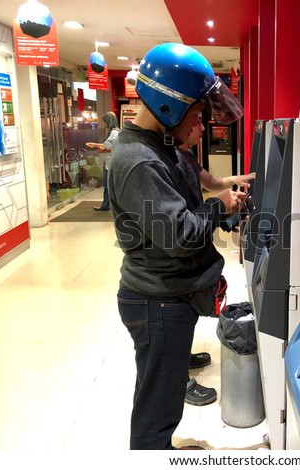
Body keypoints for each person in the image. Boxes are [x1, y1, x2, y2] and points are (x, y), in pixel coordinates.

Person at [108, 43, 246, 450]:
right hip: (158, 302)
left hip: (165, 297)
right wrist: (218, 207)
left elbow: (189, 187)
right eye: (198, 113)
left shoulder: (159, 146)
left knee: (160, 390)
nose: (200, 123)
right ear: (171, 105)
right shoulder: (140, 161)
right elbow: (180, 235)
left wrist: (221, 197)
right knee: (159, 409)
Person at [177, 112, 255, 407]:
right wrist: (218, 205)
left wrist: (233, 184)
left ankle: (184, 357)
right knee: (176, 317)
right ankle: (179, 379)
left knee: (189, 312)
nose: (201, 129)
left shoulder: (186, 155)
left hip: (194, 248)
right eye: (196, 123)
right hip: (181, 249)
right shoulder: (169, 160)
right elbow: (183, 220)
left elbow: (210, 182)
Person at [85, 111, 120, 211]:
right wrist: (94, 145)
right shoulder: (111, 132)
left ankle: (107, 205)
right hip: (108, 163)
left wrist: (104, 150)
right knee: (107, 185)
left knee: (108, 185)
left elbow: (118, 148)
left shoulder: (115, 133)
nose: (104, 124)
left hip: (112, 163)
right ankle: (105, 205)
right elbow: (108, 145)